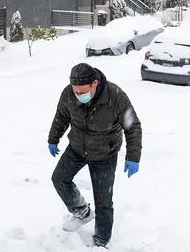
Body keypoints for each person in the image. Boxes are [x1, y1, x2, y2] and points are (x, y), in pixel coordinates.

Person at [48, 63, 142, 248]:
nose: (78, 95)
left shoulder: (115, 96)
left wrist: (133, 156)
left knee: (103, 202)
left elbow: (133, 127)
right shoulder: (69, 93)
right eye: (75, 92)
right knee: (59, 179)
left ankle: (101, 241)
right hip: (77, 147)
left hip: (104, 153)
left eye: (82, 91)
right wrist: (53, 138)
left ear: (95, 84)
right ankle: (81, 211)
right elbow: (61, 116)